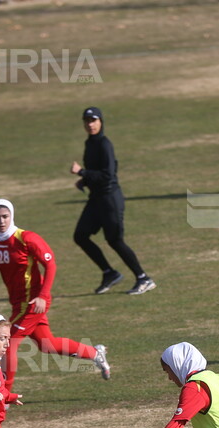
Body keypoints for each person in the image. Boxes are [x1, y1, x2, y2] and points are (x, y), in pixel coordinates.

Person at [0, 198, 111, 389]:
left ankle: (4, 395)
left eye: (5, 216)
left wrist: (43, 295)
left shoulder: (26, 238)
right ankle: (95, 353)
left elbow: (50, 264)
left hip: (33, 302)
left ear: (11, 215)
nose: (2, 221)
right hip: (18, 303)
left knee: (8, 341)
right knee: (47, 345)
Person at [69, 107, 156, 295]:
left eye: (94, 120)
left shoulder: (104, 144)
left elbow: (108, 174)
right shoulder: (90, 143)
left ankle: (143, 278)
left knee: (115, 240)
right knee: (80, 235)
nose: (90, 124)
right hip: (96, 199)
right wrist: (84, 181)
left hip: (110, 199)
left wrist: (82, 172)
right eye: (87, 121)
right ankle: (109, 273)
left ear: (101, 122)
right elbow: (98, 170)